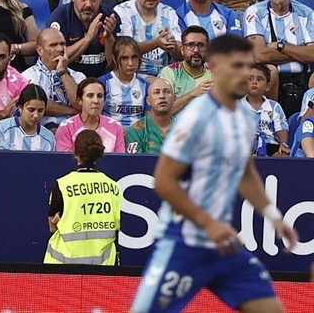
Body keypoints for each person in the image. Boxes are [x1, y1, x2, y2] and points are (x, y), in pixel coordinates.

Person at [132, 34, 299, 313]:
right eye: (237, 66)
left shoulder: (245, 116)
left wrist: (273, 216)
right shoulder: (196, 117)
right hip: (184, 243)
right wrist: (208, 224)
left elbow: (245, 173)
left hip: (224, 248)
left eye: (248, 66)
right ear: (215, 67)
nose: (245, 74)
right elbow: (163, 181)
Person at [45, 129, 123, 266]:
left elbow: (52, 226)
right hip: (103, 265)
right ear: (100, 154)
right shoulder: (113, 186)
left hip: (63, 264)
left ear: (75, 153)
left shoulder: (62, 184)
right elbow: (117, 224)